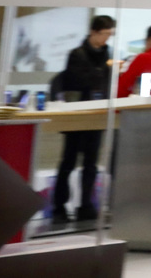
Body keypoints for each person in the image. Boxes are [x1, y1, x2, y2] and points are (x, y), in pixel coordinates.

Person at [52, 14, 112, 223]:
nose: (106, 38)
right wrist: (99, 72)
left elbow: (105, 83)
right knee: (68, 161)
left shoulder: (107, 56)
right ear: (93, 32)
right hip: (77, 115)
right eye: (104, 34)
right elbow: (76, 80)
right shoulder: (77, 54)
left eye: (110, 34)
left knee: (91, 164)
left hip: (96, 114)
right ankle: (59, 206)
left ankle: (85, 205)